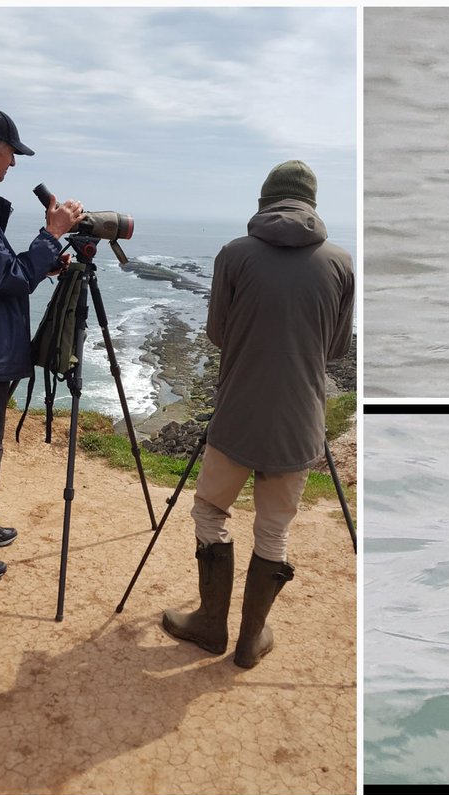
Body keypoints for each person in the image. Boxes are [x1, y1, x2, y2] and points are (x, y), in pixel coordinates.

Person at [162, 160, 354, 669]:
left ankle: (209, 624)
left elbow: (218, 334)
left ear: (265, 202)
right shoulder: (341, 262)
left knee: (209, 512)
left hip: (238, 416)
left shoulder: (233, 255)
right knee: (274, 531)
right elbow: (335, 349)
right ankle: (250, 641)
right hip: (299, 426)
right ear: (311, 204)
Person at [0, 107, 83, 583]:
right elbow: (8, 277)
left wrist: (44, 260)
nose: (13, 164)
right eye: (12, 153)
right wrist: (51, 235)